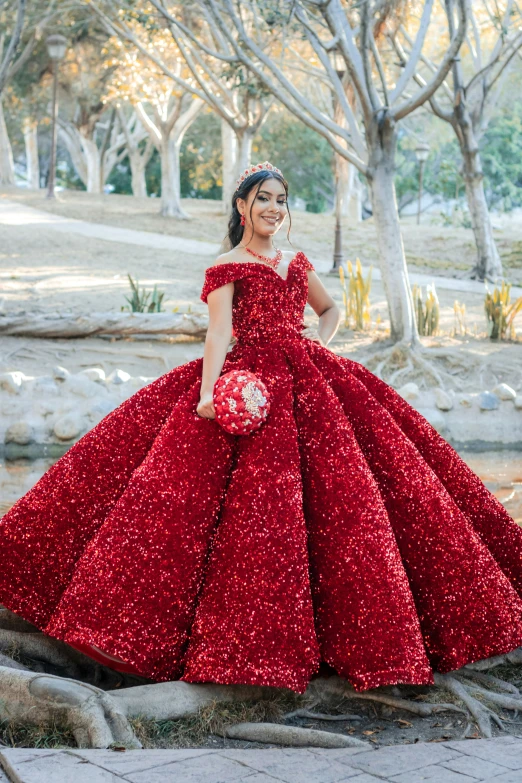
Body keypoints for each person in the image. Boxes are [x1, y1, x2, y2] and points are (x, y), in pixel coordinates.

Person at [1, 160, 522, 695]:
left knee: (348, 497)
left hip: (309, 376)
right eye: (264, 199)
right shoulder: (227, 264)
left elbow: (331, 308)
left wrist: (320, 340)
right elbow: (219, 332)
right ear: (241, 205)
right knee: (217, 500)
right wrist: (207, 395)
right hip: (245, 381)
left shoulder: (296, 260)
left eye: (282, 199)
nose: (275, 208)